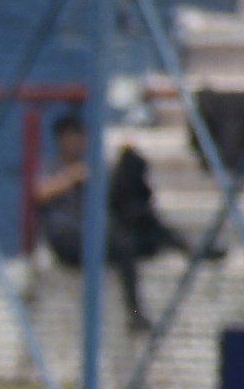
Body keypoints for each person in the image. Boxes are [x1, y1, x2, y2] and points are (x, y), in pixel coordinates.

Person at [34, 112, 214, 329]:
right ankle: (134, 312)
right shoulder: (54, 167)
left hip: (93, 238)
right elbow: (39, 193)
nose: (76, 143)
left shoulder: (91, 168)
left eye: (79, 137)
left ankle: (193, 250)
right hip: (68, 241)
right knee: (121, 242)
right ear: (60, 140)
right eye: (71, 138)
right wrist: (71, 176)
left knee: (146, 232)